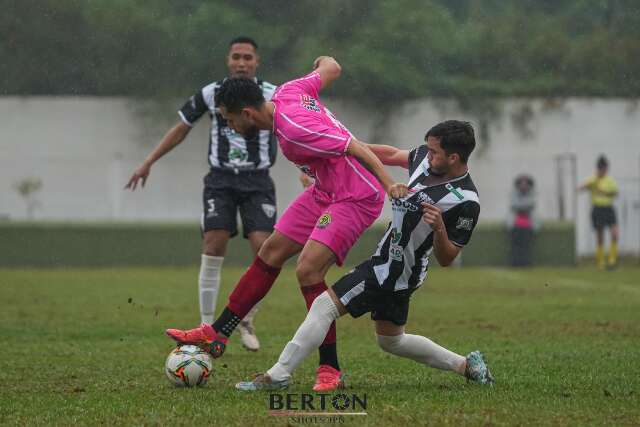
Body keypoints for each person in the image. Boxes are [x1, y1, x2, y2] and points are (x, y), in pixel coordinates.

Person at [166, 55, 408, 392]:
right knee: (271, 251)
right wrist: (321, 60)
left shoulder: (293, 130)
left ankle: (330, 367)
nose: (230, 127)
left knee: (308, 271)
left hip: (354, 196)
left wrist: (388, 183)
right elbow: (333, 67)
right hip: (325, 190)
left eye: (229, 120)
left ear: (247, 114)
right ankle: (217, 331)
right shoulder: (290, 90)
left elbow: (354, 147)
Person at [234, 120, 494, 391]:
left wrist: (439, 227)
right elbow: (391, 154)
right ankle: (466, 365)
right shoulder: (425, 160)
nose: (427, 156)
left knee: (324, 306)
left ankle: (277, 376)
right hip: (398, 270)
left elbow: (448, 257)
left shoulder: (466, 201)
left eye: (434, 152)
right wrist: (342, 150)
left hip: (391, 270)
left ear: (453, 157)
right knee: (391, 340)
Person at [126, 37, 277, 351]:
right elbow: (181, 126)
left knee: (265, 248)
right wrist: (149, 161)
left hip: (258, 180)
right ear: (227, 60)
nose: (241, 63)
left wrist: (306, 168)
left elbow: (290, 128)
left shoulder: (272, 95)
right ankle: (207, 327)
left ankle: (246, 318)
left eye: (248, 57)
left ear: (257, 62)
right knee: (214, 240)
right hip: (220, 180)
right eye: (236, 56)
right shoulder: (211, 93)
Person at [578, 155, 619, 269]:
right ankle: (600, 262)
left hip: (609, 208)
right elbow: (580, 188)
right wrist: (590, 184)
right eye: (601, 168)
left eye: (605, 167)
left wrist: (604, 192)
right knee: (600, 235)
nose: (603, 170)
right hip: (597, 208)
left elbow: (615, 193)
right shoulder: (593, 179)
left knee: (615, 233)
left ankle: (612, 259)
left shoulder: (610, 180)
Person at [507, 174, 538, 267]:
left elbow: (531, 204)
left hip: (527, 225)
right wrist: (523, 206)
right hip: (516, 225)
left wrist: (521, 206)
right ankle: (515, 263)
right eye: (522, 184)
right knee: (515, 246)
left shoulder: (531, 195)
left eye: (526, 184)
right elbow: (514, 205)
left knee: (526, 246)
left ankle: (525, 263)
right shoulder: (514, 194)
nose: (523, 186)